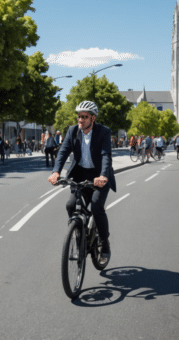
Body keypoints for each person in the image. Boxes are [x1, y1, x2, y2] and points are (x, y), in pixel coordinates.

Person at [48, 101, 116, 266]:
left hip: (99, 176)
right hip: (80, 176)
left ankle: (104, 242)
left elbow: (106, 155)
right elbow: (63, 152)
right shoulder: (72, 131)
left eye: (84, 117)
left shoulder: (103, 132)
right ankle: (79, 231)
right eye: (79, 116)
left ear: (93, 118)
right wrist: (56, 171)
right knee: (71, 206)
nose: (81, 120)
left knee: (96, 206)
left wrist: (103, 175)